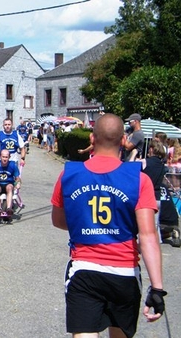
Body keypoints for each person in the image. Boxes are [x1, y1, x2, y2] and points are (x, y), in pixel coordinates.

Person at [51, 113, 166, 338]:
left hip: (84, 270)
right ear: (123, 140)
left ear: (92, 139)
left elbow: (58, 220)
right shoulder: (140, 180)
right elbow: (148, 236)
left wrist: (87, 225)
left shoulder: (69, 174)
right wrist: (157, 288)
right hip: (125, 272)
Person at [0, 149, 21, 216]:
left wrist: (18, 183)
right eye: (3, 157)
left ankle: (9, 209)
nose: (5, 159)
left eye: (6, 157)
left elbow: (17, 178)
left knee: (10, 187)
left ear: (9, 157)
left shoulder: (13, 165)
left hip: (9, 184)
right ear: (0, 156)